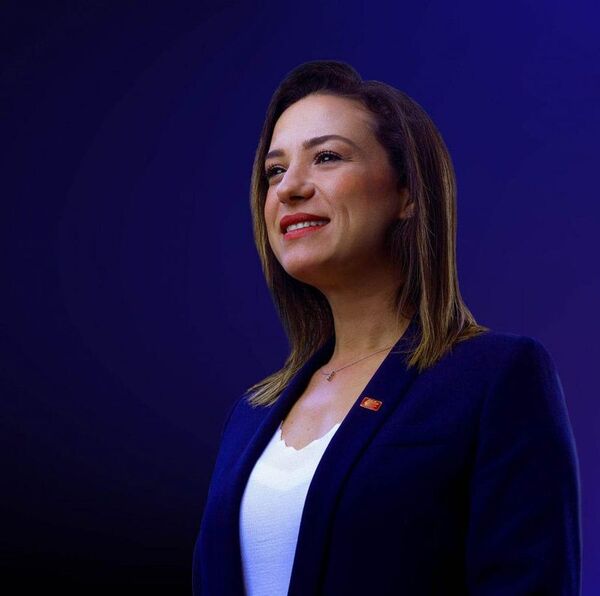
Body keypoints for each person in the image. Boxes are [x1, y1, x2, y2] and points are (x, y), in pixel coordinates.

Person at [192, 60, 581, 595]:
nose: (289, 188)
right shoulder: (251, 412)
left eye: (326, 157)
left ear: (408, 193)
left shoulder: (494, 378)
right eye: (274, 171)